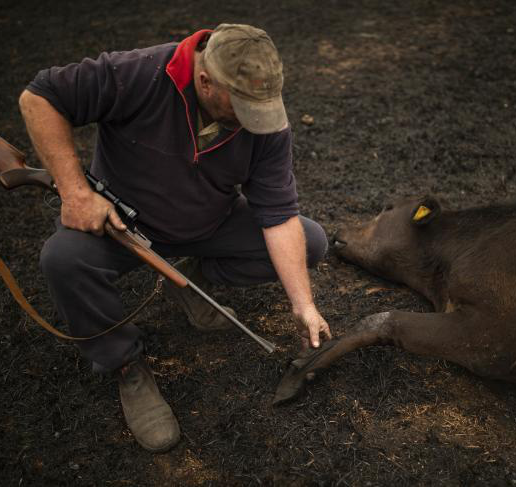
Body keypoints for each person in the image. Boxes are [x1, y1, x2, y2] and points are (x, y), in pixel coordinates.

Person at [18, 24, 332, 453]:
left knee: (310, 241)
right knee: (62, 259)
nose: (252, 121)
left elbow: (278, 217)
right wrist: (75, 192)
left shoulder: (264, 121)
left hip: (208, 224)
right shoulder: (138, 72)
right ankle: (124, 363)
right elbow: (38, 97)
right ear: (204, 81)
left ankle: (189, 280)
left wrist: (304, 305)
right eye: (241, 107)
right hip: (123, 229)